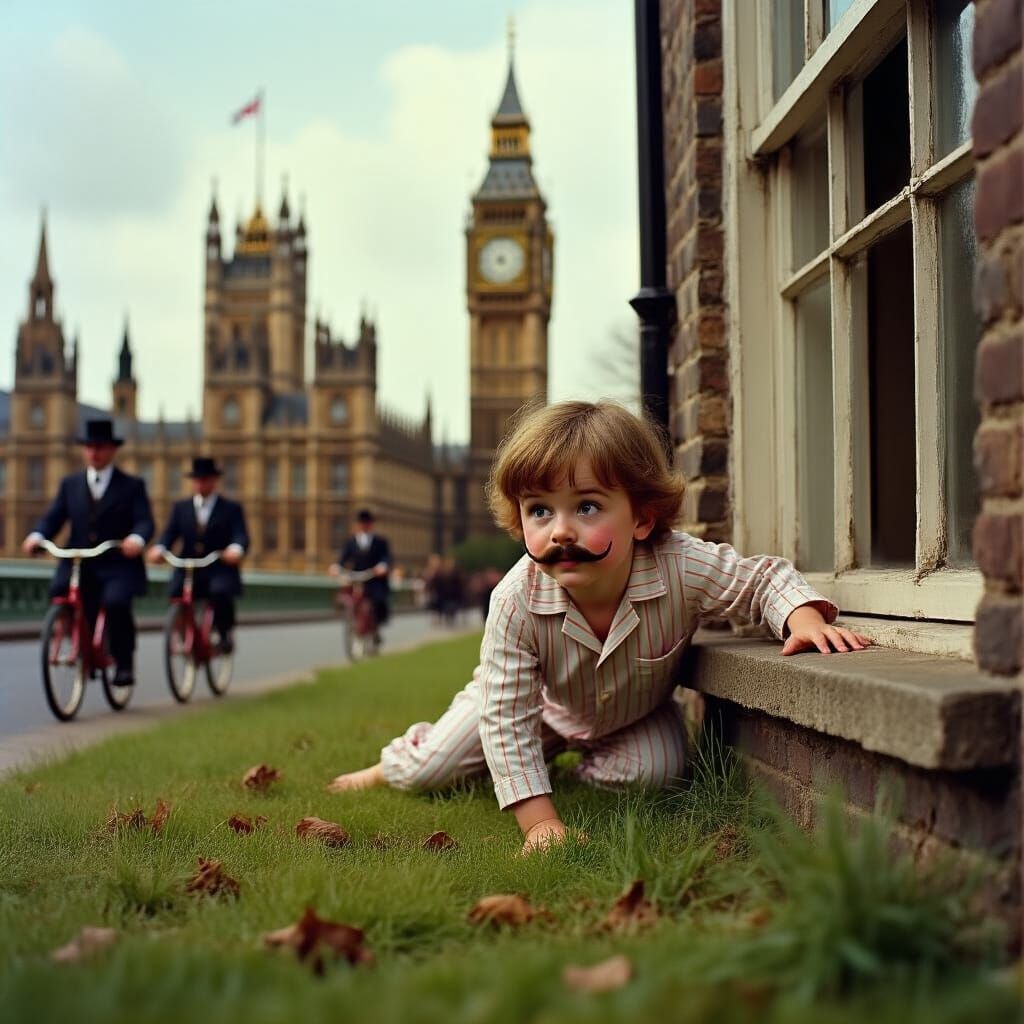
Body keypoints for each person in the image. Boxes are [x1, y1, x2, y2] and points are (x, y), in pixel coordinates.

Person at [325, 401, 872, 854]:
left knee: (658, 772)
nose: (561, 531)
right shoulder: (515, 600)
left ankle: (565, 771)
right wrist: (541, 825)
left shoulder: (679, 564)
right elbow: (507, 718)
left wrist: (800, 618)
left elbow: (760, 579)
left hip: (631, 718)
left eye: (587, 507)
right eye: (540, 511)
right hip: (538, 708)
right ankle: (390, 766)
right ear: (519, 520)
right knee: (435, 769)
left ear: (640, 518)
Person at [22, 418, 154, 687]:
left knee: (116, 603)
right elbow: (54, 517)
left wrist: (136, 538)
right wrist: (37, 536)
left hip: (117, 562)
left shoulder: (131, 486)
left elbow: (145, 521)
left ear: (112, 450)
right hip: (80, 560)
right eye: (90, 447)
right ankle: (80, 641)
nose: (94, 452)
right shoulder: (70, 484)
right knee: (59, 590)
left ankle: (124, 661)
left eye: (101, 447)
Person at [146, 456, 249, 653]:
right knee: (175, 591)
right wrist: (159, 549)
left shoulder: (231, 509)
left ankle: (223, 633)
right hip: (188, 564)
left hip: (218, 565)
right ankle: (182, 627)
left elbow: (240, 534)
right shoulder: (180, 508)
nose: (201, 483)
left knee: (220, 593)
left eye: (205, 479)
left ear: (214, 481)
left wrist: (235, 548)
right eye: (197, 479)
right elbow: (169, 534)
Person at [333, 509, 391, 639]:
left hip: (373, 577)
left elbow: (386, 557)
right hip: (356, 577)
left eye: (366, 523)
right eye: (362, 523)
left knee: (378, 599)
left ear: (371, 524)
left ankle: (376, 625)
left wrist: (382, 566)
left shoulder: (380, 541)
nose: (364, 525)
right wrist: (336, 567)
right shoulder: (351, 542)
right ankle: (352, 619)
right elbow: (343, 558)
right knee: (346, 594)